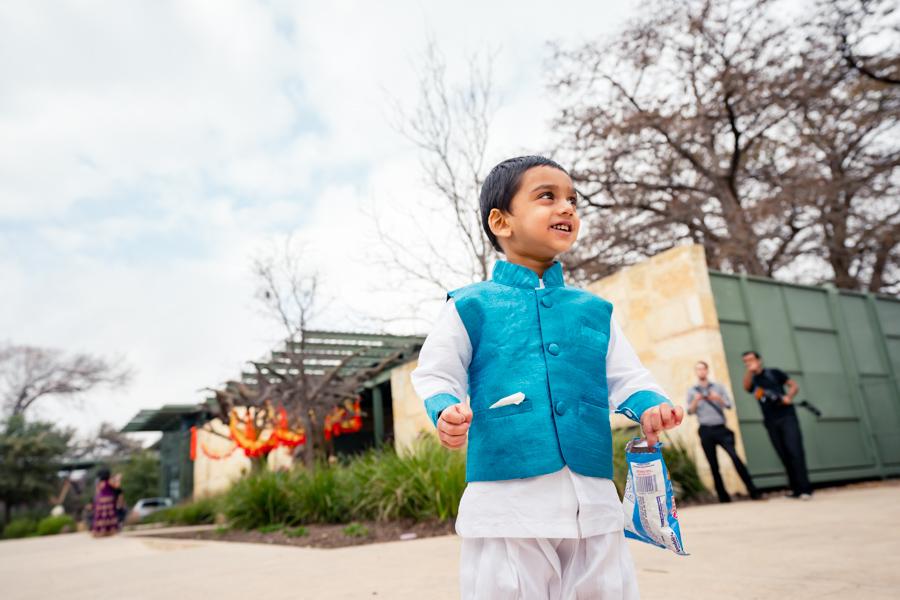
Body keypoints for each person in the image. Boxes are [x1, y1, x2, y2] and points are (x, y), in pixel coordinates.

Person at [411, 156, 684, 600]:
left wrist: (650, 404)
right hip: (509, 499)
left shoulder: (594, 310)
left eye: (573, 200)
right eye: (547, 197)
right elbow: (436, 371)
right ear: (501, 221)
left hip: (592, 496)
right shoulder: (470, 304)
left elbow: (627, 375)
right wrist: (446, 409)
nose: (567, 208)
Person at [741, 351, 813, 500]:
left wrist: (788, 397)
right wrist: (749, 372)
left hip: (787, 417)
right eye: (746, 361)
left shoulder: (774, 373)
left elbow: (793, 385)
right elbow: (746, 387)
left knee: (795, 451)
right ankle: (796, 490)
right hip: (770, 420)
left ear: (759, 360)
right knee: (783, 454)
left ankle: (805, 489)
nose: (749, 363)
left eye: (751, 360)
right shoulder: (752, 380)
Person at [687, 361, 761, 502]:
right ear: (696, 372)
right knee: (713, 465)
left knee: (735, 457)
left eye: (703, 369)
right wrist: (696, 400)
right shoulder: (692, 391)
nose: (701, 372)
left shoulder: (718, 387)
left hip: (721, 428)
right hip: (705, 430)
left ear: (707, 371)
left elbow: (728, 405)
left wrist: (717, 398)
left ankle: (753, 491)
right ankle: (723, 497)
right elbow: (689, 411)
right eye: (698, 369)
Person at [91, 468, 119, 537]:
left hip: (101, 501)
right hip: (109, 500)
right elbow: (117, 486)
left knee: (102, 516)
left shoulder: (100, 483)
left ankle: (101, 531)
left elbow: (97, 493)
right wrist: (118, 478)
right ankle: (110, 530)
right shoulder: (109, 481)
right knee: (109, 515)